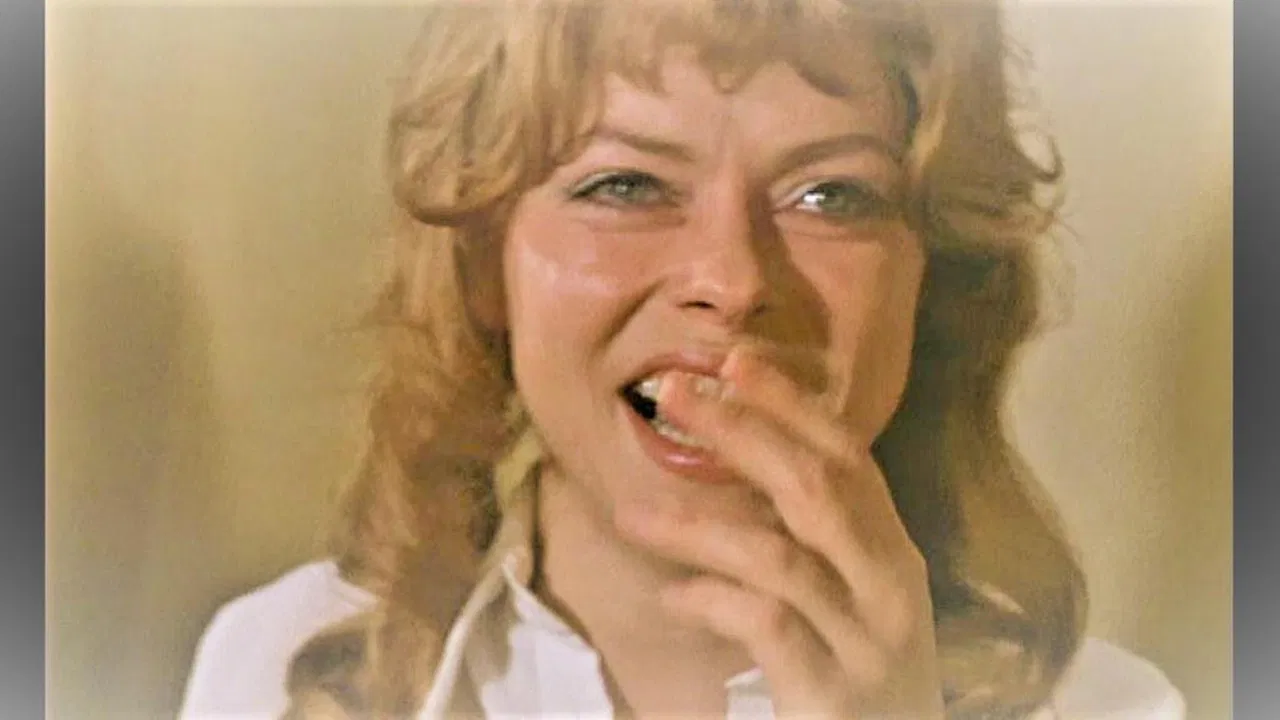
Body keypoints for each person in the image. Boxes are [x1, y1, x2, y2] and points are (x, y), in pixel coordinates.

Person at [179, 0, 1185, 718]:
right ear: (486, 265)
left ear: (929, 284)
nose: (731, 280)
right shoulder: (270, 671)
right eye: (625, 185)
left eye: (831, 195)